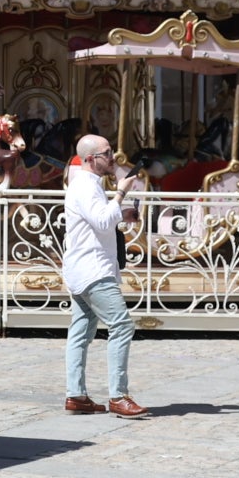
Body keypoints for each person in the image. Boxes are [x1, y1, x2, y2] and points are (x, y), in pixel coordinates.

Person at [64, 134, 146, 418]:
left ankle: (75, 395)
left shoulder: (87, 186)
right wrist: (121, 192)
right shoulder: (86, 186)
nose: (113, 157)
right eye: (107, 153)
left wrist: (121, 213)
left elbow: (98, 220)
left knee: (81, 331)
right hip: (93, 270)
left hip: (84, 268)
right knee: (122, 326)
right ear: (90, 159)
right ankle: (118, 396)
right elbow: (100, 219)